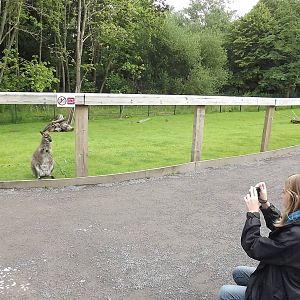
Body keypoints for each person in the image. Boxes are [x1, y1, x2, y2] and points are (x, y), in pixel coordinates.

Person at [218, 174, 300, 300]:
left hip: (285, 292)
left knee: (225, 293)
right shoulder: (296, 222)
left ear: (295, 198)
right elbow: (283, 228)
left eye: (284, 192)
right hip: (285, 276)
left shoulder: (295, 236)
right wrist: (265, 204)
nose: (281, 195)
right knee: (238, 272)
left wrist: (253, 214)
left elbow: (253, 245)